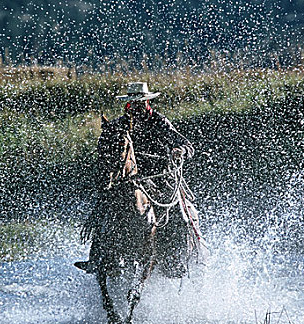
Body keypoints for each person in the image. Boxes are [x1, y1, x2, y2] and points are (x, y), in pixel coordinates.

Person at [75, 82, 206, 277]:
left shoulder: (159, 121)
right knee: (102, 207)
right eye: (132, 103)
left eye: (140, 102)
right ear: (128, 104)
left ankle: (175, 259)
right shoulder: (118, 125)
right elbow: (105, 148)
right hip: (126, 178)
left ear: (146, 103)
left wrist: (180, 151)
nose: (136, 107)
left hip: (159, 176)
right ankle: (97, 258)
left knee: (178, 212)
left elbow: (186, 145)